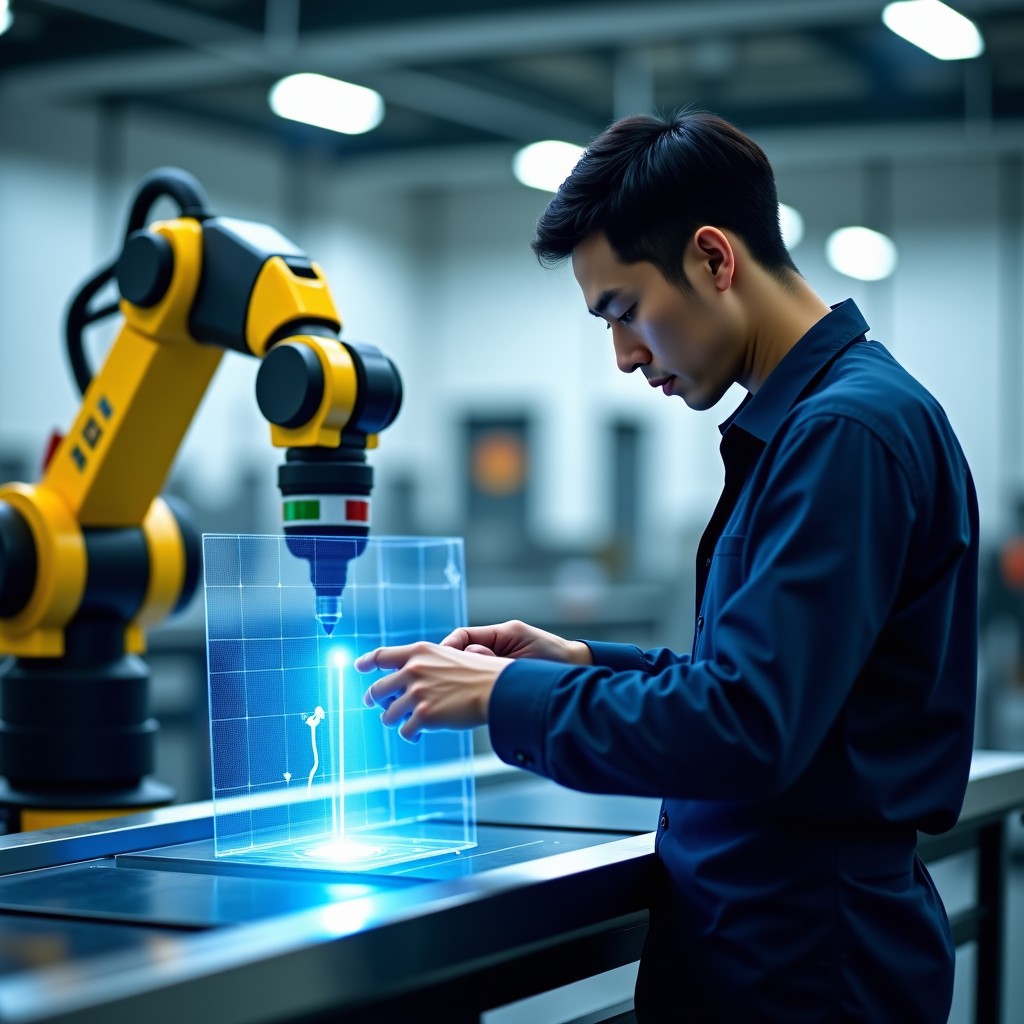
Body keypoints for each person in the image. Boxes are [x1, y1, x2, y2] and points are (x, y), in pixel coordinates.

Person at [355, 110, 978, 1023]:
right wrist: (579, 664)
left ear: (714, 260)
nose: (624, 354)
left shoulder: (844, 434)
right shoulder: (813, 427)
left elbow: (747, 727)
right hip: (765, 944)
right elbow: (758, 682)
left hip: (808, 967)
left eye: (624, 310)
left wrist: (501, 698)